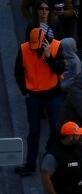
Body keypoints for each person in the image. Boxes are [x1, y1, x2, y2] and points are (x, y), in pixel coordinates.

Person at [14, 27, 65, 176]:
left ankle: (54, 161)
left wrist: (49, 56)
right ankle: (30, 165)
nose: (35, 50)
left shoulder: (56, 46)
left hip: (53, 95)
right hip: (34, 96)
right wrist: (25, 91)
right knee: (34, 131)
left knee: (56, 128)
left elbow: (60, 70)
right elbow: (18, 71)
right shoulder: (24, 48)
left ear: (44, 42)